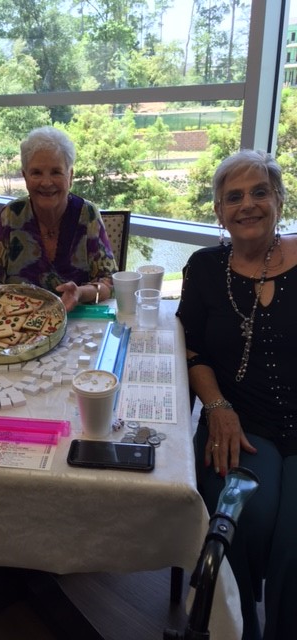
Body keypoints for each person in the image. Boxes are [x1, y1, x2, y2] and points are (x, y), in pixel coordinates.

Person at [176, 149, 297, 640]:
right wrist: (218, 407)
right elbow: (192, 347)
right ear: (219, 213)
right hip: (241, 423)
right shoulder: (205, 267)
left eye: (259, 192)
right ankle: (239, 630)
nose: (248, 205)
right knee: (240, 519)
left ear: (279, 199)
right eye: (234, 197)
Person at [0, 126, 117, 311]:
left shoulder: (87, 215)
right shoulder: (11, 215)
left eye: (56, 172)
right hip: (19, 326)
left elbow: (109, 285)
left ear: (70, 175)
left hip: (77, 324)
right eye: (36, 173)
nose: (47, 183)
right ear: (25, 177)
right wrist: (0, 301)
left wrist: (80, 293)